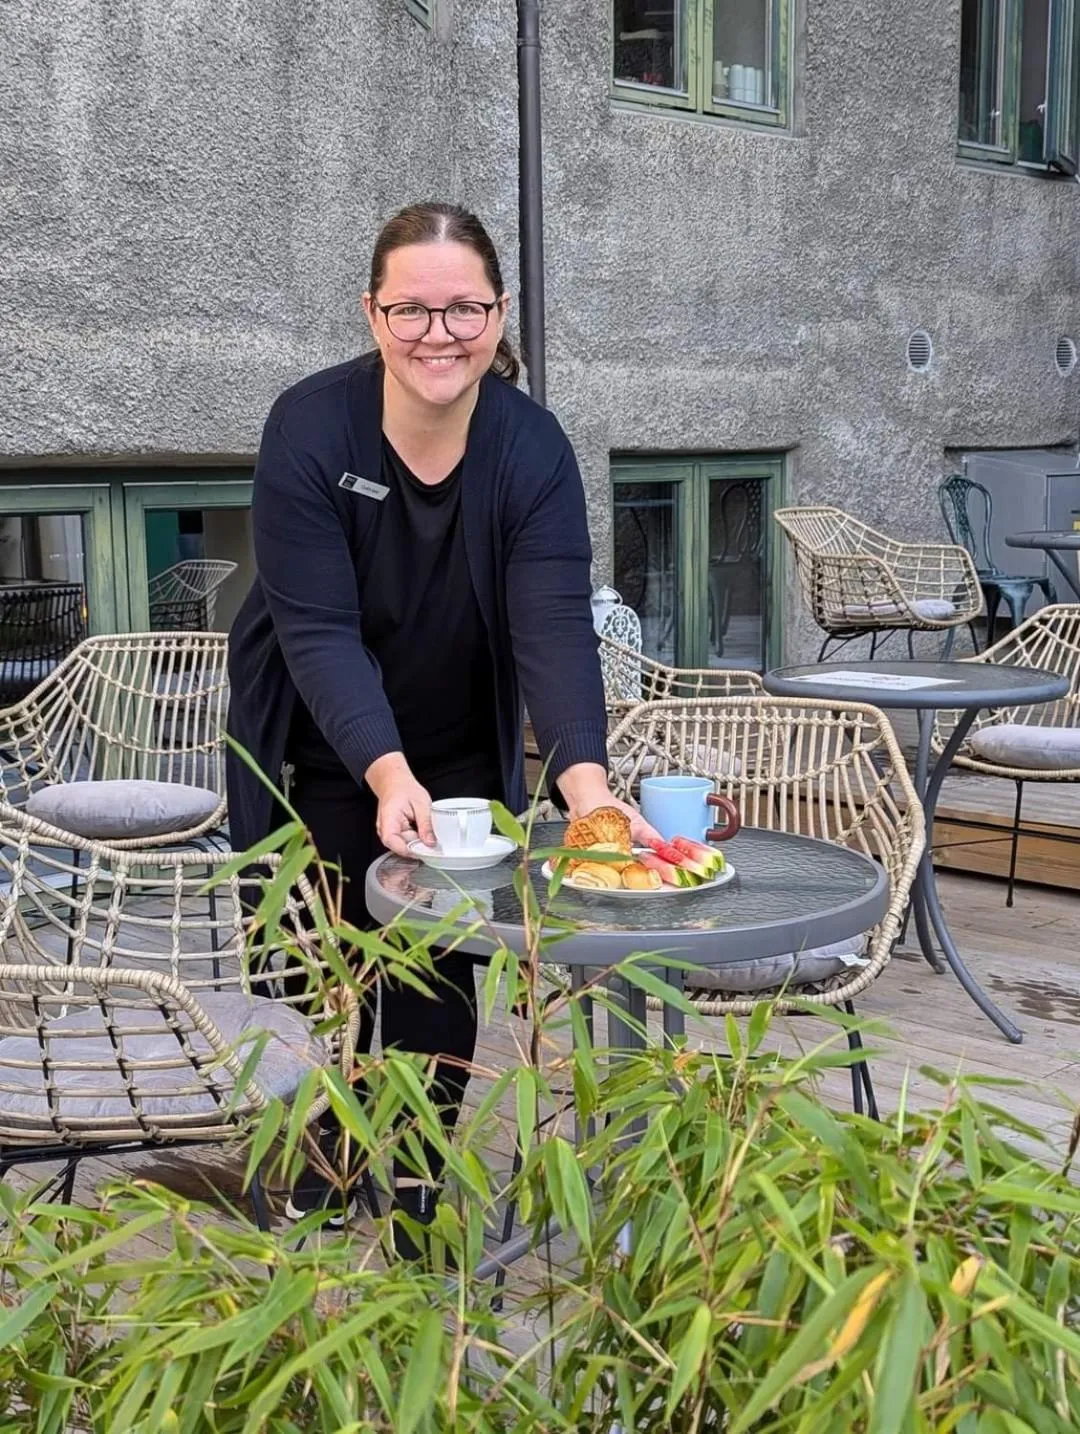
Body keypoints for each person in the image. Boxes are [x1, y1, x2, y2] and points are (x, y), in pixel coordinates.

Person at [226, 201, 655, 1254]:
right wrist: (382, 768)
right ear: (372, 314)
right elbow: (318, 630)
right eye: (411, 309)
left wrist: (587, 792)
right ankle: (325, 1181)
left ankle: (415, 1206)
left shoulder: (530, 448)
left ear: (498, 314)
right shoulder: (310, 427)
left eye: (464, 308)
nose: (438, 333)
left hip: (460, 744)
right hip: (318, 745)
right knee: (319, 971)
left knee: (433, 981)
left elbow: (553, 624)